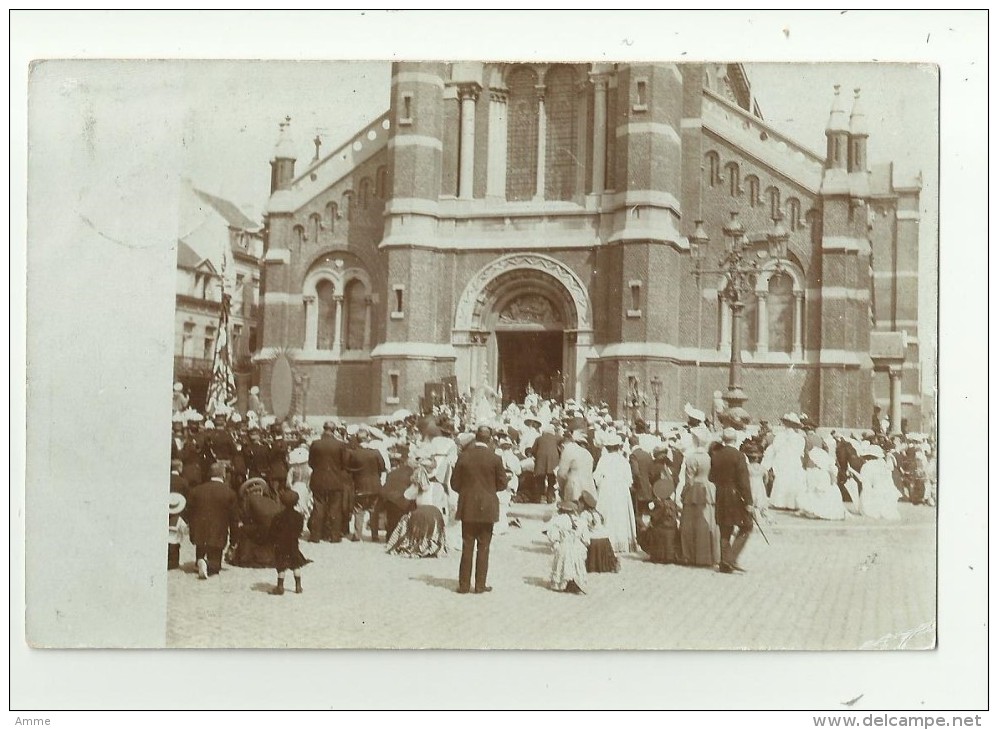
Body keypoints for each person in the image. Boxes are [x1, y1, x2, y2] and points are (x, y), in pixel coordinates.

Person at [451, 426, 506, 594]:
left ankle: (464, 585)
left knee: (467, 545)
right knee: (484, 546)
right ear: (489, 439)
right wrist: (489, 490)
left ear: (476, 438)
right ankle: (480, 585)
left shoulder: (463, 457)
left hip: (468, 506)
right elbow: (503, 484)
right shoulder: (495, 458)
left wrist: (467, 491)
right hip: (487, 506)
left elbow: (454, 483)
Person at [385, 447, 448, 558]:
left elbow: (407, 496)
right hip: (436, 515)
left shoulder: (418, 483)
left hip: (422, 512)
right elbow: (443, 506)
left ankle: (412, 543)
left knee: (406, 519)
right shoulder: (440, 485)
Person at [711, 427, 754, 573]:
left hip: (720, 494)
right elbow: (744, 481)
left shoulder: (716, 455)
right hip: (735, 496)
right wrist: (749, 502)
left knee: (725, 529)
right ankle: (731, 559)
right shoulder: (739, 456)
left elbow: (712, 477)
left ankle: (725, 562)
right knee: (747, 526)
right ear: (735, 440)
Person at [185, 462, 239, 579]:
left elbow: (189, 511)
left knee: (201, 548)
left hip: (199, 532)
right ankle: (207, 564)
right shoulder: (230, 493)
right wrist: (234, 540)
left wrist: (192, 529)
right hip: (218, 533)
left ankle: (199, 560)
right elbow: (234, 519)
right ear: (223, 475)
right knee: (215, 566)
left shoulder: (196, 490)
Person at [679, 426, 720, 568]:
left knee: (689, 524)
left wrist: (683, 493)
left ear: (695, 440)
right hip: (708, 489)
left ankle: (689, 555)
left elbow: (688, 480)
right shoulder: (709, 458)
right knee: (707, 522)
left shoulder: (691, 458)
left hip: (694, 489)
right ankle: (707, 555)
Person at [592, 432, 637, 554]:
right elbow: (629, 480)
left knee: (607, 514)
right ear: (618, 447)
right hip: (621, 490)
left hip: (607, 489)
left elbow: (596, 476)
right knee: (620, 515)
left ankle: (609, 540)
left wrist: (601, 483)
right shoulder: (623, 461)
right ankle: (621, 541)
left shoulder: (604, 459)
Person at [308, 420, 350, 543]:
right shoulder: (340, 445)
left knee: (318, 507)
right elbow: (344, 464)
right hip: (335, 480)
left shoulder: (315, 444)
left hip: (318, 479)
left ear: (324, 429)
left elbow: (311, 462)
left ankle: (315, 535)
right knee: (335, 508)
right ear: (334, 430)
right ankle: (334, 536)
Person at [268, 490, 309, 595]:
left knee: (281, 565)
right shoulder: (299, 517)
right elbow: (300, 530)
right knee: (296, 564)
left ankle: (280, 586)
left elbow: (272, 531)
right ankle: (298, 586)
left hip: (281, 543)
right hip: (293, 543)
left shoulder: (278, 516)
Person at [764, 413, 806, 510]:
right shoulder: (800, 438)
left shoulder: (779, 436)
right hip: (793, 462)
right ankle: (792, 503)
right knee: (793, 480)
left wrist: (768, 464)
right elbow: (800, 452)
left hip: (782, 461)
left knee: (782, 479)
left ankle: (780, 502)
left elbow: (774, 449)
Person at [546, 499, 590, 594]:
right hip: (577, 546)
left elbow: (552, 535)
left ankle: (562, 584)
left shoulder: (558, 520)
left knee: (563, 564)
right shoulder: (581, 521)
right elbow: (586, 539)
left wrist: (555, 542)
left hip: (564, 546)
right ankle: (576, 583)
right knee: (576, 565)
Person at [637, 480, 682, 565]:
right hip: (672, 530)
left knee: (644, 530)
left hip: (661, 530)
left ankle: (656, 554)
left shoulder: (659, 504)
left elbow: (654, 519)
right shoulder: (673, 504)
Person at [797, 447, 846, 520]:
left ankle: (815, 510)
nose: (809, 461)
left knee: (807, 494)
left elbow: (819, 488)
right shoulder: (820, 471)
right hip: (823, 493)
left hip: (823, 494)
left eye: (811, 460)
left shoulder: (821, 473)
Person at [579, 490, 618, 573]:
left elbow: (583, 530)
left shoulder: (584, 515)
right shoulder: (598, 513)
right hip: (604, 538)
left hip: (594, 540)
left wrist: (585, 540)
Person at [859, 444, 901, 520]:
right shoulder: (883, 464)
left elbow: (866, 483)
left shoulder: (867, 465)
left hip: (876, 491)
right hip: (888, 491)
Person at [556, 429, 595, 503]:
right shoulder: (588, 454)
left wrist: (561, 487)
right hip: (588, 485)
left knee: (573, 508)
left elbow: (561, 473)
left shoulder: (568, 450)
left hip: (574, 484)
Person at [532, 423, 561, 504]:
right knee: (551, 480)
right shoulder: (557, 438)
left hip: (541, 460)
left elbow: (533, 451)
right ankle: (549, 498)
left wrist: (537, 457)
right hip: (553, 460)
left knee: (539, 480)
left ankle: (537, 499)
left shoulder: (538, 439)